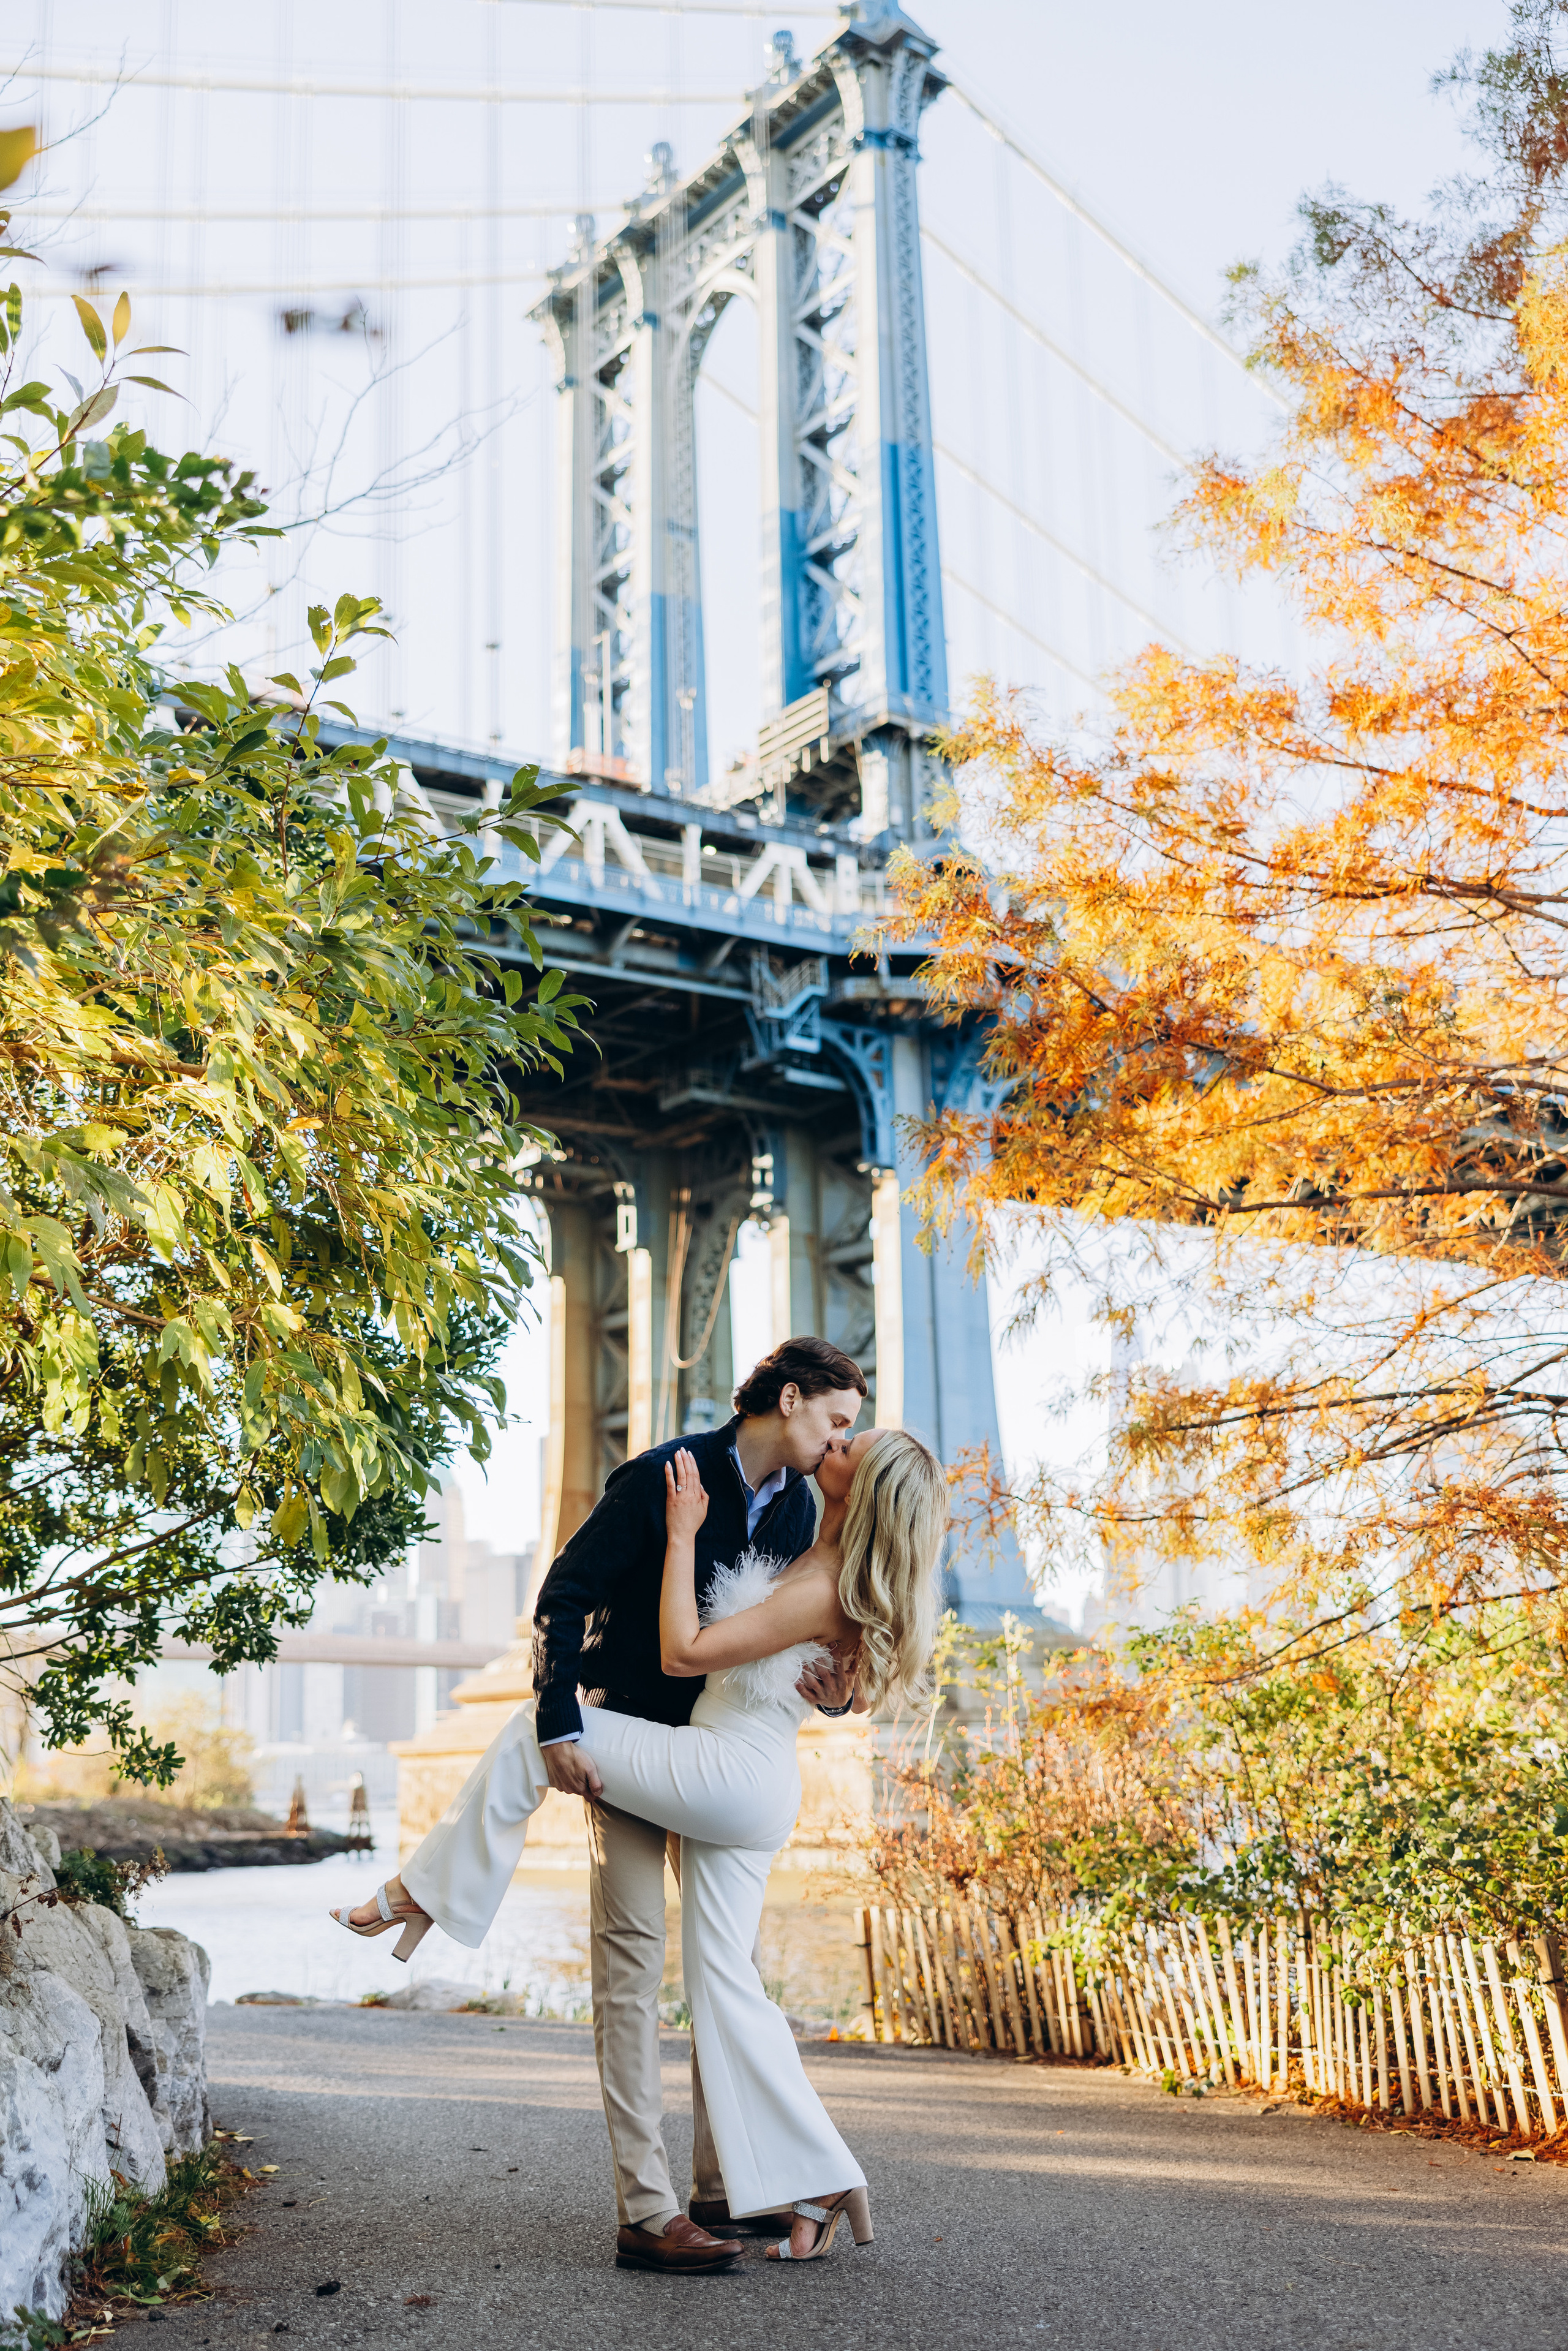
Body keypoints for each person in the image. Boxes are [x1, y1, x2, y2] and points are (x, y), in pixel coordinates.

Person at [333, 1408, 948, 2267]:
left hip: (724, 1771)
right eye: (839, 1425)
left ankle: (420, 1892)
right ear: (790, 1400)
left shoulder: (821, 1567)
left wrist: (687, 1533)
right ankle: (816, 2180)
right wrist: (832, 1682)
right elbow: (829, 1668)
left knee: (539, 1731)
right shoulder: (815, 1531)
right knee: (728, 1984)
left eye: (852, 1443)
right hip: (746, 1773)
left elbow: (686, 1651)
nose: (838, 1441)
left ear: (867, 1487)